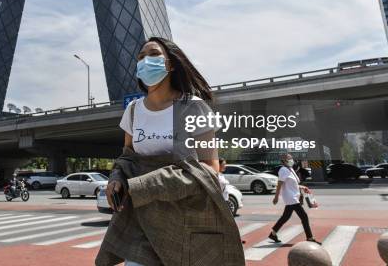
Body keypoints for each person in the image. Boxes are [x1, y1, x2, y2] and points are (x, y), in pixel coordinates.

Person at [96, 37, 245, 266]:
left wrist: (146, 185)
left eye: (153, 54)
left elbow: (209, 169)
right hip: (143, 218)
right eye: (141, 57)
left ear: (171, 64)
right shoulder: (134, 111)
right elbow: (127, 156)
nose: (146, 61)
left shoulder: (193, 107)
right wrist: (116, 178)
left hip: (185, 219)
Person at [268, 154, 320, 244]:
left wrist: (303, 187)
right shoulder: (283, 170)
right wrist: (276, 197)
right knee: (304, 216)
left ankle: (273, 233)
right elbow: (279, 184)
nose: (291, 160)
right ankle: (310, 237)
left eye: (291, 158)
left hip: (293, 196)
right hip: (291, 198)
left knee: (285, 217)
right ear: (284, 161)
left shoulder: (290, 169)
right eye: (289, 158)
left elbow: (293, 184)